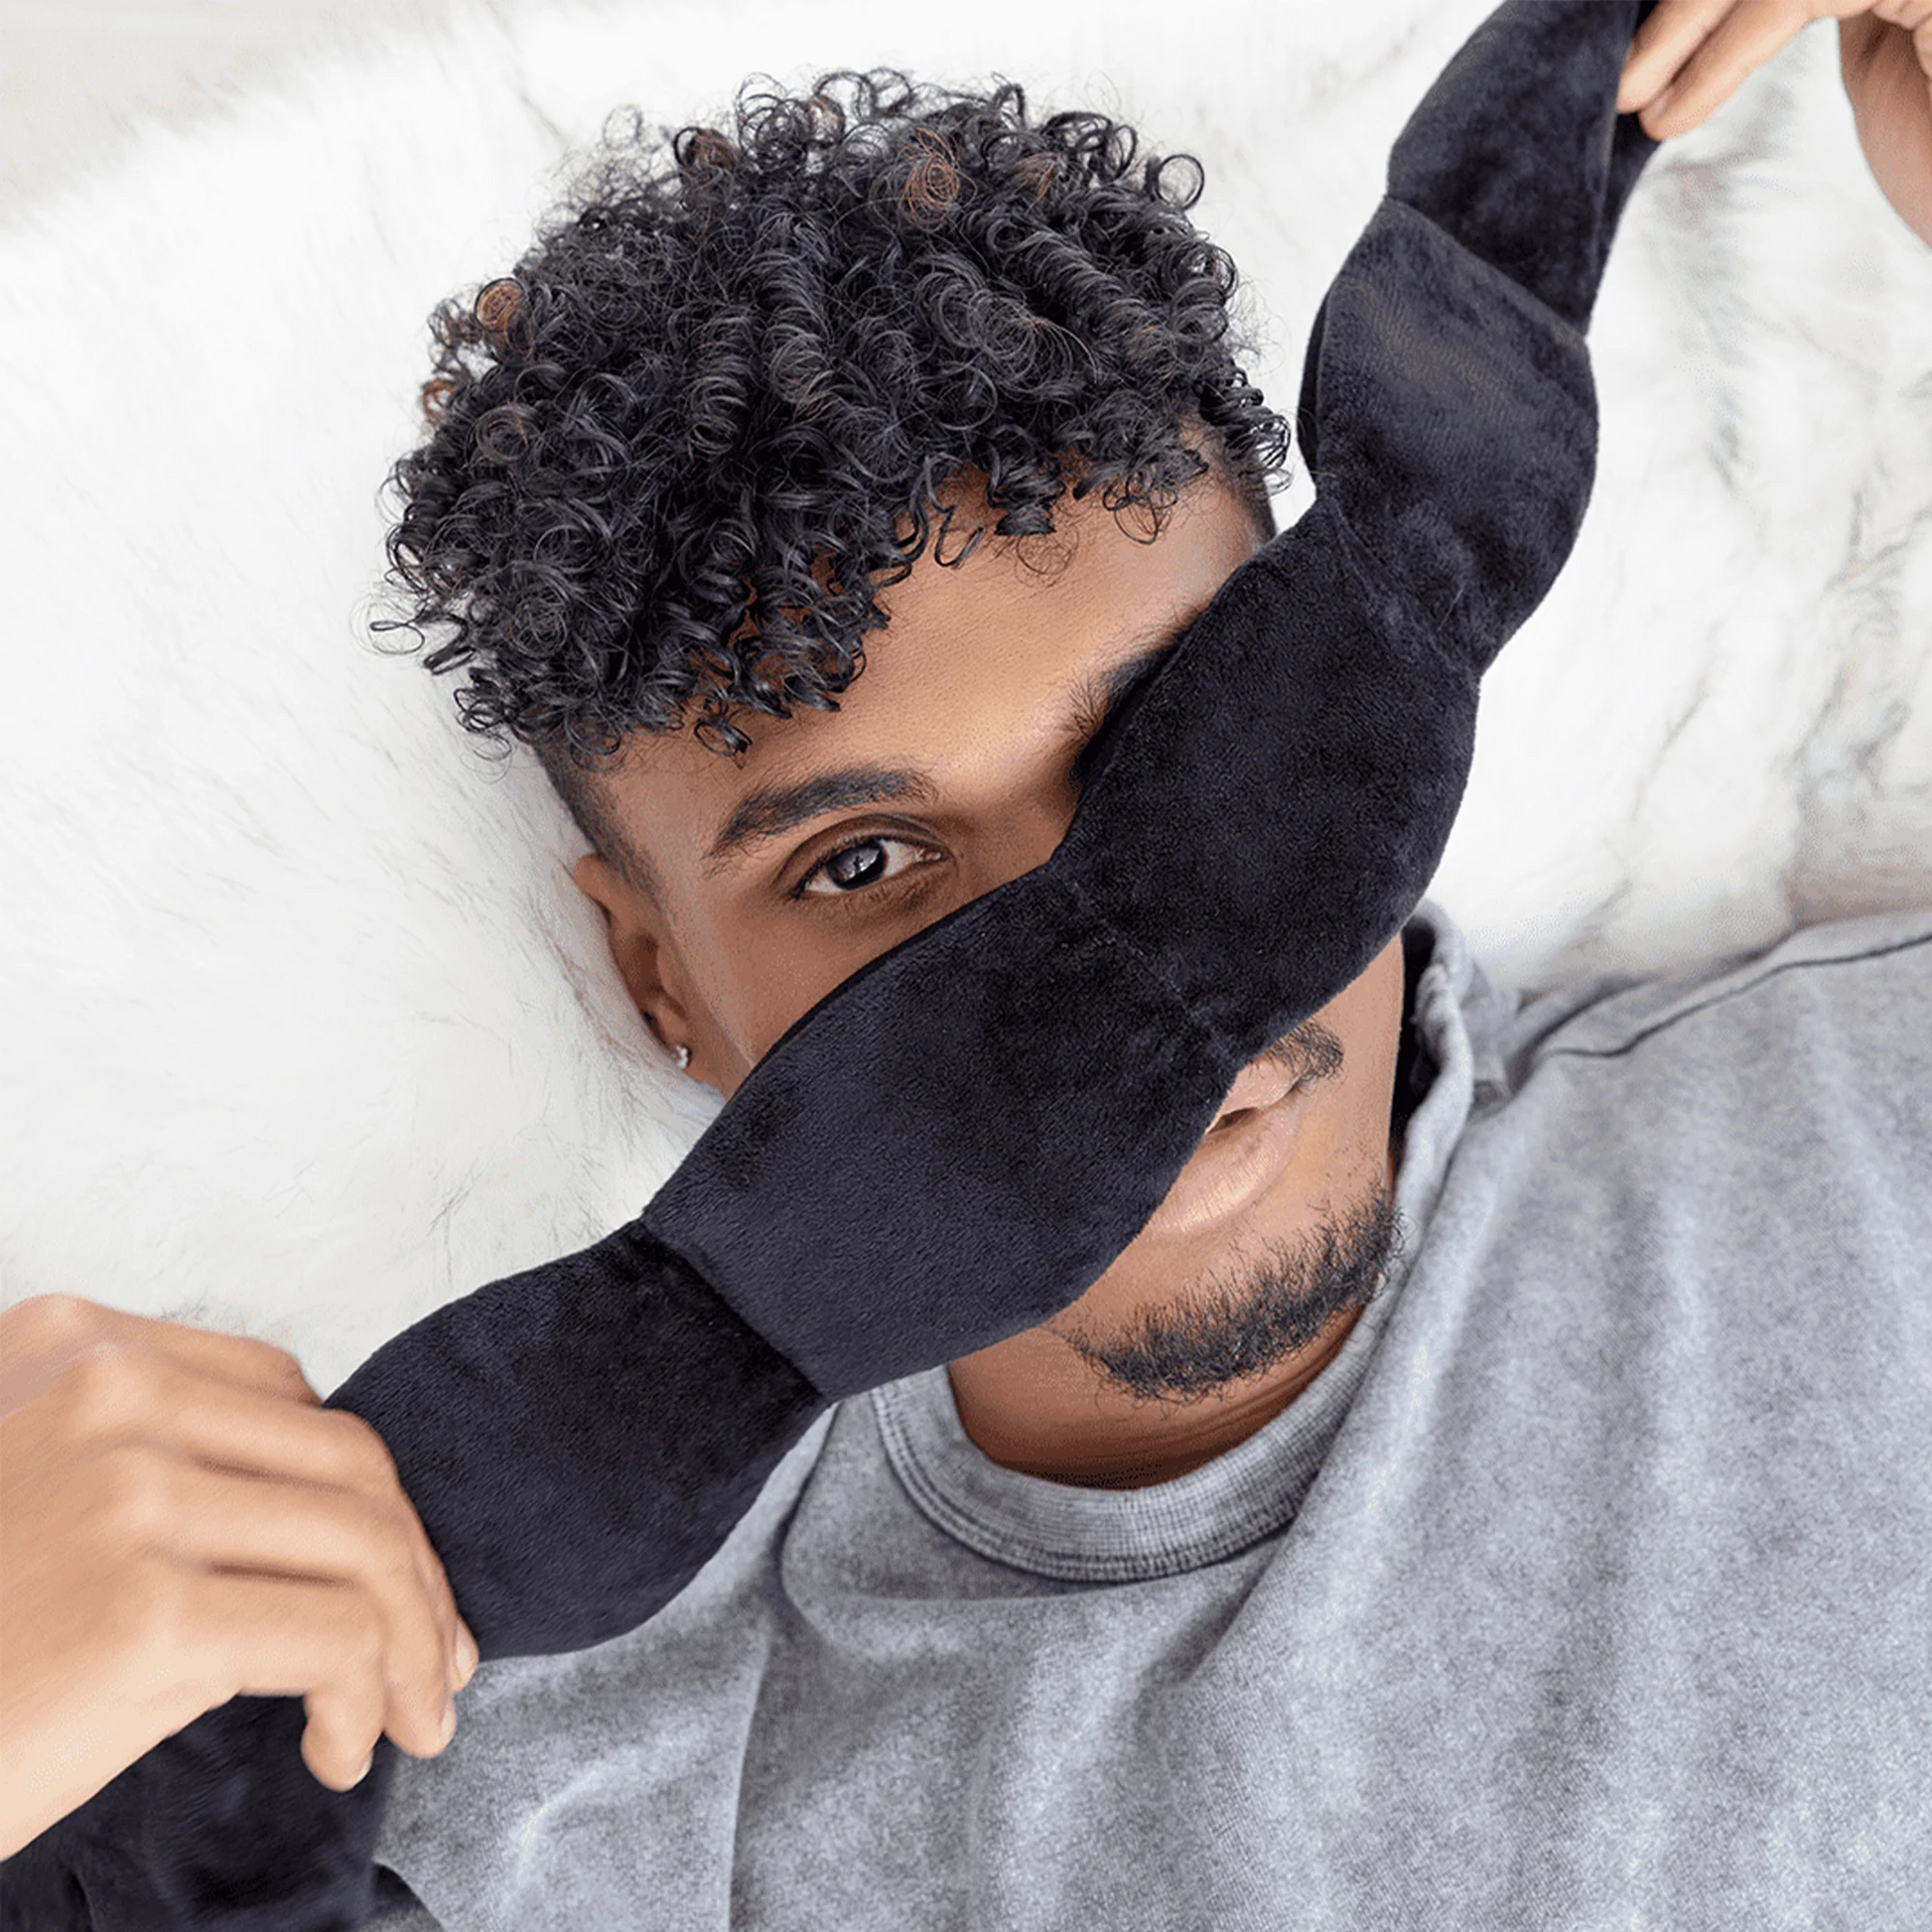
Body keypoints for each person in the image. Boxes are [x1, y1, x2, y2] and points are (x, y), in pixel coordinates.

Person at [1, 0, 1927, 1918]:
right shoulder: (461, 1784)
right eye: (863, 861)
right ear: (660, 984)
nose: (1121, 999)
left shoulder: (1870, 1109)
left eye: (1172, 739)